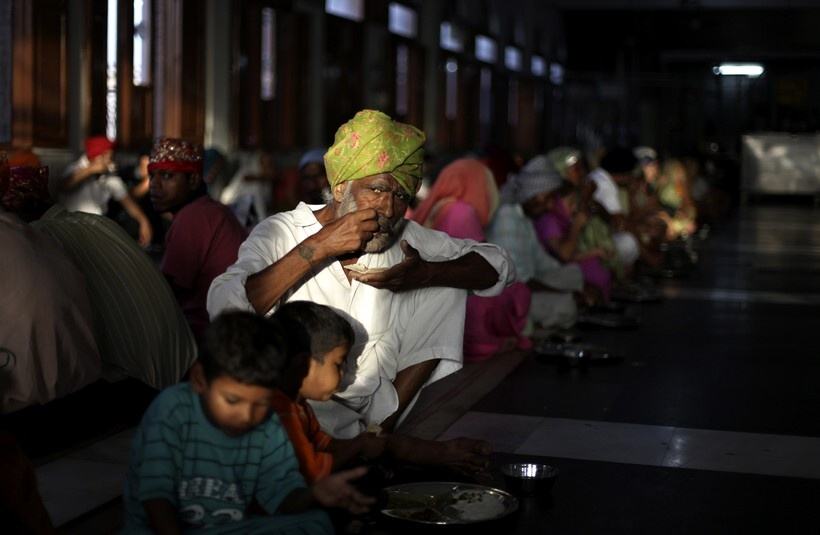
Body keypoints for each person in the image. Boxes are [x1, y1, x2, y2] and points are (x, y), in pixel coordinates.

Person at [208, 110, 515, 438]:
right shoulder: (284, 231)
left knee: (448, 280)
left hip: (374, 413)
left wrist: (423, 274)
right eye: (377, 190)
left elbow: (500, 266)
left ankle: (380, 436)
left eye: (400, 196)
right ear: (340, 188)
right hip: (286, 409)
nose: (388, 209)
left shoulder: (408, 238)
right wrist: (320, 246)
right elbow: (224, 308)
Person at [122, 312, 373, 534]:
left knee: (316, 522)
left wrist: (315, 494)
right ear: (199, 379)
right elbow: (156, 497)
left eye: (261, 403)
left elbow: (283, 497)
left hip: (229, 528)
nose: (246, 415)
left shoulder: (268, 425)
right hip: (156, 530)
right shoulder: (173, 408)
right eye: (232, 400)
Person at [271, 301, 491, 483]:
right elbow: (309, 473)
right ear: (303, 365)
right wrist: (358, 445)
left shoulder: (299, 407)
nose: (346, 371)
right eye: (338, 364)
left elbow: (328, 446)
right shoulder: (279, 412)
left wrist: (363, 443)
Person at [412, 158, 531, 361]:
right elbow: (479, 270)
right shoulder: (461, 212)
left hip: (430, 305)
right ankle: (485, 343)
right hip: (454, 307)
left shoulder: (439, 207)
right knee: (515, 290)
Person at [148, 137, 248, 342]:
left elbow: (165, 292)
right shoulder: (208, 209)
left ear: (193, 180)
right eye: (152, 176)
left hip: (212, 335)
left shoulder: (194, 217)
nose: (154, 185)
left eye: (167, 176)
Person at [487, 155, 584, 331]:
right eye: (547, 199)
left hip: (529, 283)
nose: (549, 206)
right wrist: (563, 293)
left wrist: (576, 286)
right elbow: (518, 282)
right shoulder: (507, 217)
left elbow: (542, 262)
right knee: (566, 305)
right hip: (509, 294)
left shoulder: (525, 217)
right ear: (533, 194)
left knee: (574, 274)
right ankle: (533, 329)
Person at [534, 147, 613, 303]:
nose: (581, 173)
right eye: (575, 169)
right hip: (553, 268)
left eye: (580, 168)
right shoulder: (549, 212)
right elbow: (563, 254)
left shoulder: (575, 196)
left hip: (573, 259)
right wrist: (577, 225)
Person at [59, 136, 153, 247]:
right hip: (71, 230)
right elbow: (64, 185)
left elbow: (127, 201)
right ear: (99, 156)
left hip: (97, 229)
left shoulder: (109, 174)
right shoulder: (75, 168)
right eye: (109, 155)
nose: (112, 159)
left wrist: (143, 221)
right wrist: (90, 169)